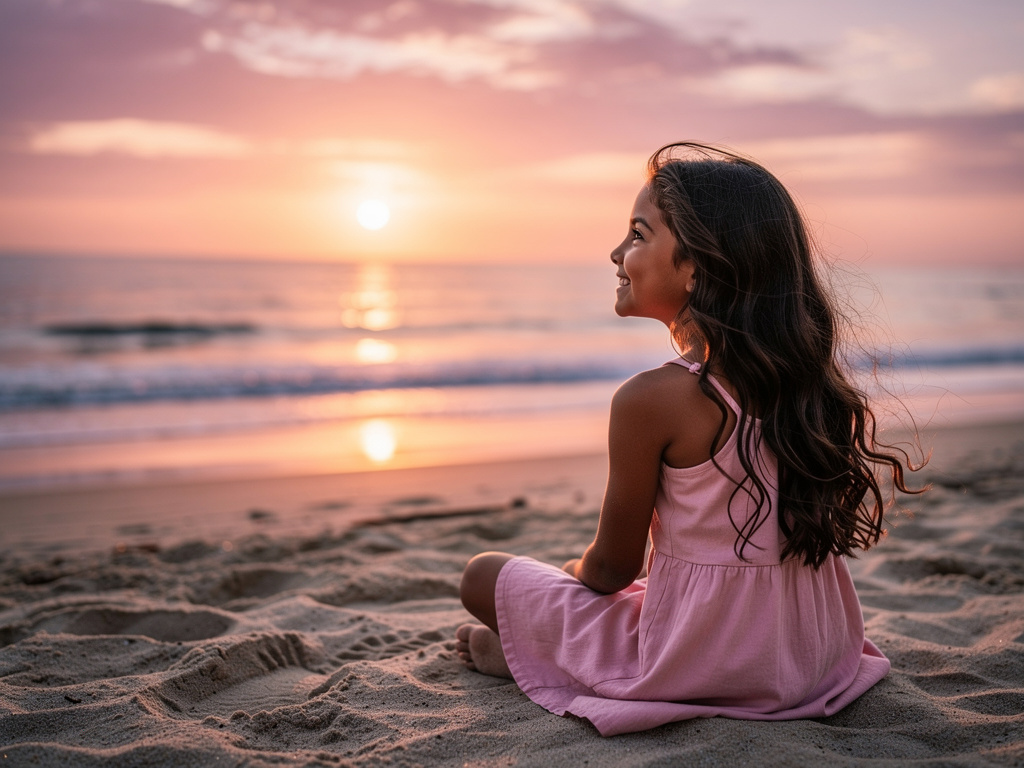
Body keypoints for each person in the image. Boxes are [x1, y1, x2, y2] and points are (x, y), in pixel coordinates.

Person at [456, 142, 922, 737]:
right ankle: (543, 655)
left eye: (637, 234)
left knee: (484, 575)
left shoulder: (649, 401)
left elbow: (610, 571)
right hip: (813, 657)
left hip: (700, 661)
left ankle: (533, 662)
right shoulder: (808, 385)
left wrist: (573, 571)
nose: (616, 252)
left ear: (698, 267)